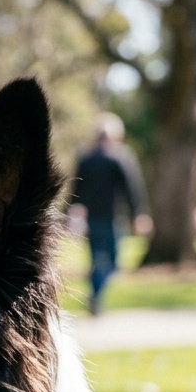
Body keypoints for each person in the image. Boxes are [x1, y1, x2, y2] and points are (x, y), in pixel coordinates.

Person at [68, 112, 151, 315]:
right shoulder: (120, 158)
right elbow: (132, 189)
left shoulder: (86, 159)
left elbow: (75, 191)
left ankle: (94, 294)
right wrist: (139, 213)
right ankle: (96, 295)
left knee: (97, 259)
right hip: (111, 218)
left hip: (93, 219)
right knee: (113, 262)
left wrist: (68, 213)